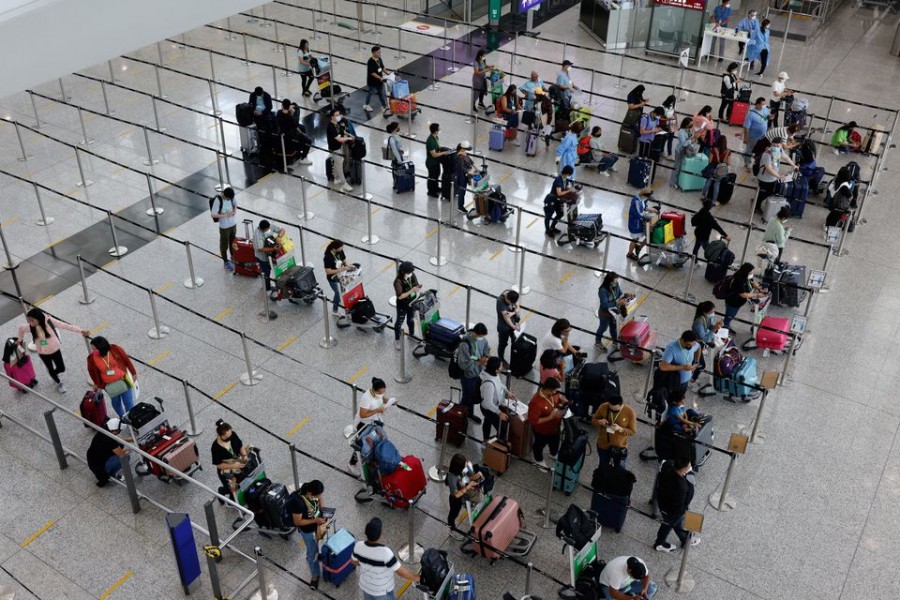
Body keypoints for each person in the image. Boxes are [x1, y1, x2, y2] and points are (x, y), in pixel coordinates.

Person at [16, 308, 88, 393]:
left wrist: (81, 330)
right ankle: (59, 382)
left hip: (54, 349)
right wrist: (20, 339)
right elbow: (21, 328)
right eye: (29, 320)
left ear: (38, 318)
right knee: (50, 368)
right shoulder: (31, 326)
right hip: (43, 353)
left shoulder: (49, 321)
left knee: (61, 368)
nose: (30, 322)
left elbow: (65, 325)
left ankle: (53, 373)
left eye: (32, 320)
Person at [352, 518, 420, 600]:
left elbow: (354, 562)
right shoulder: (385, 552)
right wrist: (417, 578)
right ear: (381, 534)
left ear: (366, 532)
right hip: (382, 591)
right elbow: (401, 572)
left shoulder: (358, 545)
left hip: (366, 586)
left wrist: (364, 562)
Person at [654, 457, 701, 553]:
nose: (690, 468)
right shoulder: (681, 487)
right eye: (689, 467)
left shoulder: (668, 465)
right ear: (683, 470)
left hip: (663, 502)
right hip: (672, 511)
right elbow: (687, 498)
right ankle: (659, 543)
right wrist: (690, 476)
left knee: (676, 523)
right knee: (668, 525)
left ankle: (684, 538)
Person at [445, 454, 494, 539]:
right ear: (458, 468)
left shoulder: (463, 467)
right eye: (464, 465)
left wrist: (476, 476)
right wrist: (468, 486)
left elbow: (468, 476)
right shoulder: (452, 478)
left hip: (464, 488)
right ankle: (451, 528)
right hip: (456, 498)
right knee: (453, 513)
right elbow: (456, 495)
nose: (466, 465)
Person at [86, 336, 137, 417]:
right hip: (109, 385)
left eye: (94, 348)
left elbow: (126, 359)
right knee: (116, 403)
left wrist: (133, 372)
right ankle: (123, 417)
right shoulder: (91, 358)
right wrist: (96, 383)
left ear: (101, 347)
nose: (93, 351)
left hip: (123, 380)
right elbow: (91, 371)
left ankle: (132, 418)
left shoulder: (115, 349)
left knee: (128, 402)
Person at [289, 480, 327, 589]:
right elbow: (297, 521)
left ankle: (310, 554)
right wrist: (315, 520)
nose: (319, 497)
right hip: (308, 530)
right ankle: (315, 576)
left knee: (316, 545)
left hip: (317, 525)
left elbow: (320, 499)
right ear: (310, 493)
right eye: (317, 496)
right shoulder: (297, 502)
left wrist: (323, 512)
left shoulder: (310, 489)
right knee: (312, 553)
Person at [349, 378, 392, 467]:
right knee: (361, 445)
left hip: (375, 421)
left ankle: (372, 459)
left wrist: (391, 401)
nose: (382, 394)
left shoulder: (377, 392)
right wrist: (377, 410)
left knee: (375, 441)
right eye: (381, 393)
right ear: (375, 390)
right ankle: (352, 463)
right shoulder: (366, 399)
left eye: (383, 392)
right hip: (363, 424)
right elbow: (362, 414)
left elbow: (383, 398)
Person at [457, 323, 490, 424]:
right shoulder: (465, 344)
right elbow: (463, 364)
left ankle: (469, 414)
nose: (482, 338)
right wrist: (478, 362)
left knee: (472, 396)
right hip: (468, 376)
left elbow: (486, 351)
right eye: (480, 336)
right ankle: (459, 416)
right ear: (475, 333)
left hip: (478, 374)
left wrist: (486, 358)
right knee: (467, 396)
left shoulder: (483, 340)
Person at [592, 395, 636, 470]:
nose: (612, 411)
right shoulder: (603, 407)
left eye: (615, 410)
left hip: (619, 447)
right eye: (610, 409)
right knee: (603, 467)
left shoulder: (630, 412)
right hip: (603, 444)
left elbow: (632, 431)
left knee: (619, 469)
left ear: (621, 405)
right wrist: (599, 422)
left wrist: (620, 429)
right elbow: (593, 421)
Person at [528, 378, 564, 468]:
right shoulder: (535, 402)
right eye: (554, 390)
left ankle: (553, 453)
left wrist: (561, 401)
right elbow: (533, 420)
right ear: (548, 390)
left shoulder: (553, 394)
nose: (556, 392)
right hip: (542, 431)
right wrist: (550, 417)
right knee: (539, 446)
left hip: (555, 427)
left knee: (555, 441)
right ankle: (538, 460)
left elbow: (557, 399)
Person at [210, 420, 253, 494]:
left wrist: (244, 455)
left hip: (238, 464)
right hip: (226, 471)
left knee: (241, 485)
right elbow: (218, 465)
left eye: (230, 435)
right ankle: (221, 492)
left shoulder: (233, 434)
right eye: (227, 437)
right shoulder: (215, 447)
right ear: (220, 435)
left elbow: (240, 446)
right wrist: (233, 465)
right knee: (231, 489)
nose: (230, 438)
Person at [756, 137, 798, 211]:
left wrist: (793, 165)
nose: (775, 148)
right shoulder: (768, 154)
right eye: (773, 145)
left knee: (770, 192)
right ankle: (756, 206)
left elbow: (786, 157)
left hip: (773, 177)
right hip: (765, 178)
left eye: (777, 146)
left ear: (781, 145)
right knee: (763, 194)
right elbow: (768, 168)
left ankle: (759, 203)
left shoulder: (780, 150)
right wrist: (779, 176)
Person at [722, 262, 767, 329]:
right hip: (733, 302)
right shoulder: (739, 281)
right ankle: (725, 327)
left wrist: (759, 288)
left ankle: (725, 325)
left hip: (738, 302)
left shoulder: (746, 276)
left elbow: (752, 281)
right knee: (729, 316)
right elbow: (743, 295)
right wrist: (757, 295)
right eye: (750, 273)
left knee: (731, 315)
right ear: (746, 272)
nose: (752, 274)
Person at [480, 357, 516, 440]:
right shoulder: (489, 384)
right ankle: (495, 443)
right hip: (488, 408)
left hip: (492, 405)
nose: (502, 368)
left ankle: (486, 439)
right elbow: (488, 403)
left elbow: (499, 384)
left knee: (487, 421)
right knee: (503, 428)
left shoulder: (492, 373)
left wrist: (507, 391)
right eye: (501, 366)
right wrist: (499, 413)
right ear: (496, 369)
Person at [86, 417, 129, 487]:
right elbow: (121, 454)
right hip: (99, 466)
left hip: (93, 459)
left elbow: (116, 442)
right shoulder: (109, 440)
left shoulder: (105, 429)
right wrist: (133, 448)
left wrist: (129, 440)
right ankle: (111, 473)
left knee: (121, 445)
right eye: (119, 431)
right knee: (126, 457)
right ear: (115, 431)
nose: (119, 432)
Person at [595, 272, 632, 351]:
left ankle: (615, 341)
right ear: (609, 281)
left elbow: (620, 293)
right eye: (614, 282)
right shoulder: (603, 291)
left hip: (614, 312)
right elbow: (605, 305)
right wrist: (617, 303)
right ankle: (597, 342)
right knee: (603, 328)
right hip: (605, 314)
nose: (616, 283)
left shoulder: (616, 285)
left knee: (614, 328)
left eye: (616, 281)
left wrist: (625, 296)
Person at [690, 302, 724, 389]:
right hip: (695, 343)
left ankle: (692, 376)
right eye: (711, 312)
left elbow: (710, 327)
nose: (713, 314)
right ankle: (691, 379)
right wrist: (714, 329)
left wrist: (716, 326)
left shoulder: (708, 317)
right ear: (705, 312)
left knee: (694, 361)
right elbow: (704, 338)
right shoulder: (699, 322)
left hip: (700, 342)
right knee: (701, 364)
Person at [393, 261, 421, 350]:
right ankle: (397, 339)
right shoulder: (398, 282)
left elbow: (416, 284)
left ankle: (411, 334)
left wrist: (418, 288)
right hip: (402, 305)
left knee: (411, 320)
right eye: (408, 272)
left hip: (412, 303)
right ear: (403, 272)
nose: (410, 273)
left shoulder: (412, 275)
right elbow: (400, 296)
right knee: (399, 322)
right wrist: (412, 290)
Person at [326, 108, 355, 193]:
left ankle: (336, 178)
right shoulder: (331, 127)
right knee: (339, 166)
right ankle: (344, 183)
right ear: (332, 117)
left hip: (338, 147)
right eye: (336, 115)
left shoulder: (336, 124)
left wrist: (349, 134)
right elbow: (339, 139)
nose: (339, 116)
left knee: (337, 163)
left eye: (339, 114)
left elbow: (342, 131)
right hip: (334, 149)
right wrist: (349, 138)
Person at [253, 219, 284, 300]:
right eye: (267, 229)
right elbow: (260, 248)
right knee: (266, 272)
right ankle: (267, 287)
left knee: (273, 269)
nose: (269, 229)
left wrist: (279, 237)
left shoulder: (269, 226)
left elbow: (282, 230)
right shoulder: (257, 235)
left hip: (271, 254)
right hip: (262, 257)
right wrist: (274, 249)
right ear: (262, 229)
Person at [275, 99, 312, 165]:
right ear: (289, 107)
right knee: (309, 141)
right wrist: (302, 134)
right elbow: (296, 127)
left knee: (302, 127)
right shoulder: (289, 117)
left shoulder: (279, 113)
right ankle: (303, 158)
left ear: (282, 106)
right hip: (290, 135)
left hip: (282, 132)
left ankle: (300, 149)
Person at [210, 186, 237, 271]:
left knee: (233, 242)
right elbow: (213, 214)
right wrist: (224, 215)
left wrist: (234, 211)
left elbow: (235, 204)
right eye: (228, 199)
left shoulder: (232, 197)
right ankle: (226, 261)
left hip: (233, 224)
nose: (230, 200)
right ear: (225, 196)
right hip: (224, 227)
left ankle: (233, 256)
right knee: (224, 244)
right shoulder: (218, 200)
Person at [670, 117, 701, 189]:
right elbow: (684, 143)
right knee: (677, 167)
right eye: (690, 125)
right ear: (686, 124)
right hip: (680, 151)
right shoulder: (681, 132)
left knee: (682, 166)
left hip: (686, 150)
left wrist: (695, 138)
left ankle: (679, 181)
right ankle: (673, 182)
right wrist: (692, 139)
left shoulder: (688, 130)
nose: (691, 126)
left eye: (692, 124)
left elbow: (691, 139)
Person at [546, 165, 577, 235]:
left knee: (560, 214)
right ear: (567, 173)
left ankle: (552, 227)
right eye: (569, 174)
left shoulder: (564, 179)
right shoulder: (558, 180)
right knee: (552, 215)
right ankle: (549, 230)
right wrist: (569, 190)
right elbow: (559, 193)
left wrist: (571, 188)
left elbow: (567, 186)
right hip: (552, 200)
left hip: (557, 199)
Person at [323, 239, 351, 315]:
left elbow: (344, 261)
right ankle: (334, 310)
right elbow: (328, 271)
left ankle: (346, 305)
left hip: (342, 275)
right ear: (334, 248)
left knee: (346, 290)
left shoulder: (340, 251)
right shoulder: (327, 257)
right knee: (338, 293)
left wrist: (349, 267)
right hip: (333, 278)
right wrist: (341, 269)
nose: (342, 249)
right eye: (340, 248)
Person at [627, 189, 657, 259]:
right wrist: (649, 215)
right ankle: (630, 253)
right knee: (635, 239)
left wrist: (651, 209)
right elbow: (639, 214)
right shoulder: (636, 201)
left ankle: (639, 247)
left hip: (640, 222)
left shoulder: (642, 199)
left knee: (647, 236)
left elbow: (644, 207)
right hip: (635, 223)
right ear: (644, 195)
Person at [742, 97, 770, 168]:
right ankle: (747, 164)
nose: (764, 106)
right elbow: (746, 127)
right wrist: (745, 138)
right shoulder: (751, 114)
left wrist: (770, 117)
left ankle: (757, 164)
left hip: (762, 137)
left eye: (764, 104)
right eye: (762, 104)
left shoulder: (765, 109)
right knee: (749, 151)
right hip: (753, 137)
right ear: (757, 105)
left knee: (760, 151)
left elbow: (766, 116)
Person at [704, 135, 733, 204]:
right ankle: (714, 201)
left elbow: (710, 161)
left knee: (708, 182)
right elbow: (729, 163)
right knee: (717, 185)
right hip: (721, 170)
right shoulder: (728, 151)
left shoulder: (714, 149)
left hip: (713, 168)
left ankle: (703, 196)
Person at [426, 123, 451, 199]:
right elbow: (434, 155)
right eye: (439, 128)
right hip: (431, 163)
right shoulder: (430, 141)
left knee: (436, 175)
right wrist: (444, 153)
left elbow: (438, 146)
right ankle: (431, 191)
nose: (440, 129)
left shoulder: (436, 137)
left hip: (436, 162)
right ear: (436, 131)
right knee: (432, 177)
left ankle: (436, 188)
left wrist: (445, 148)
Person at [496, 289, 521, 365]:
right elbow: (506, 318)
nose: (511, 304)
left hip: (513, 322)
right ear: (507, 298)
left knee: (515, 340)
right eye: (510, 302)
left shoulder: (511, 294)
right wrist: (514, 327)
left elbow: (518, 306)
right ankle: (501, 359)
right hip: (504, 327)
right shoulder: (500, 301)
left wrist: (513, 313)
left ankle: (515, 356)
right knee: (502, 343)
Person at [364, 46, 390, 113]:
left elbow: (382, 67)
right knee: (370, 93)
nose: (380, 54)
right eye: (378, 52)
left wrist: (388, 73)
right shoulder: (370, 61)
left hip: (379, 81)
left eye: (380, 52)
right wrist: (380, 78)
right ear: (374, 53)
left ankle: (384, 106)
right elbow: (372, 73)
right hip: (372, 82)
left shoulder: (379, 59)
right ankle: (366, 105)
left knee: (381, 93)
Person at [454, 140, 477, 215]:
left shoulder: (464, 153)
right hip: (461, 176)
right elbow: (462, 168)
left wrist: (477, 168)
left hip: (465, 175)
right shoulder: (460, 157)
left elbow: (471, 161)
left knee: (463, 191)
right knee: (462, 192)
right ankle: (460, 207)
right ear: (462, 148)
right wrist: (469, 172)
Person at [385, 121, 405, 189]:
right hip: (396, 157)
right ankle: (396, 183)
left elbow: (398, 146)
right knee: (396, 170)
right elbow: (394, 150)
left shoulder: (396, 135)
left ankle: (399, 182)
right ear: (395, 128)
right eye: (398, 126)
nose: (399, 127)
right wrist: (399, 159)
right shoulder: (392, 138)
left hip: (399, 155)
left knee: (398, 170)